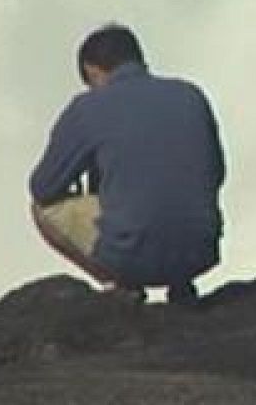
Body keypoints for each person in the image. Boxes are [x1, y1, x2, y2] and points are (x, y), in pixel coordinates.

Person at [28, 24, 225, 304]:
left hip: (131, 255)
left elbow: (42, 187)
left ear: (92, 70)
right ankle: (181, 286)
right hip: (200, 251)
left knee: (40, 210)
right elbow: (216, 172)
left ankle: (123, 287)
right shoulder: (190, 94)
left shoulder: (88, 108)